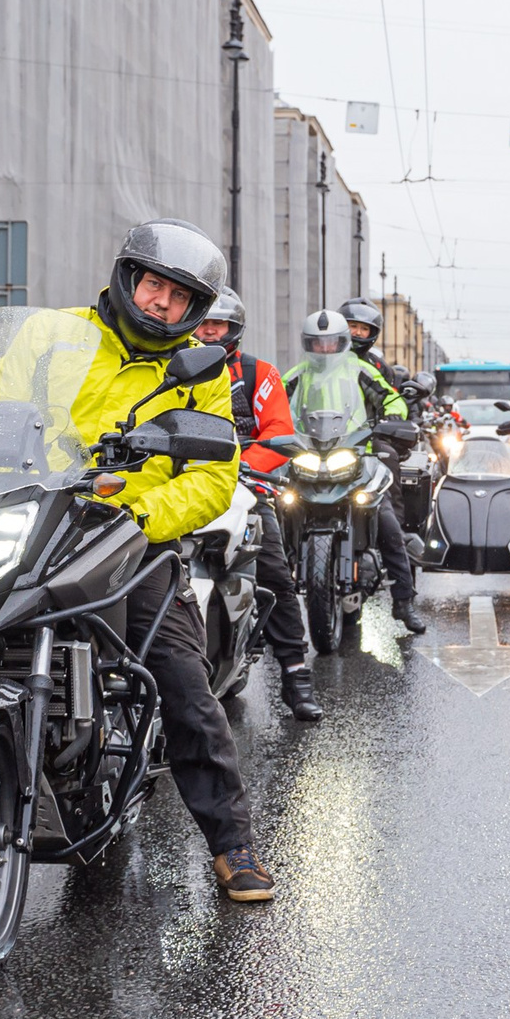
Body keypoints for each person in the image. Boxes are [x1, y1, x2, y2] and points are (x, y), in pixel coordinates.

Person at [0, 221, 278, 909]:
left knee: (179, 673)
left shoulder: (198, 372)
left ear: (196, 309)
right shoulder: (52, 335)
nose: (160, 302)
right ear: (127, 276)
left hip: (127, 536)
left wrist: (144, 519)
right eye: (152, 284)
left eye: (179, 296)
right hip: (35, 513)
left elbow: (212, 474)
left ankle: (232, 843)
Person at [204, 287, 325, 722]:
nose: (208, 331)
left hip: (242, 488)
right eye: (203, 321)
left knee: (275, 574)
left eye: (218, 324)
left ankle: (296, 678)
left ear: (234, 330)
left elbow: (278, 429)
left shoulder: (259, 374)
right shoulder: (165, 368)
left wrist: (240, 471)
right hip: (176, 490)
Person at [286, 309, 429, 634]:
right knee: (275, 516)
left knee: (390, 527)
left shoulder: (360, 370)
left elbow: (391, 399)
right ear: (308, 344)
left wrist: (391, 418)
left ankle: (404, 602)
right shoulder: (297, 374)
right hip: (310, 455)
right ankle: (269, 607)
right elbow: (274, 403)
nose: (324, 349)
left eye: (331, 342)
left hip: (356, 456)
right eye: (317, 343)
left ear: (343, 342)